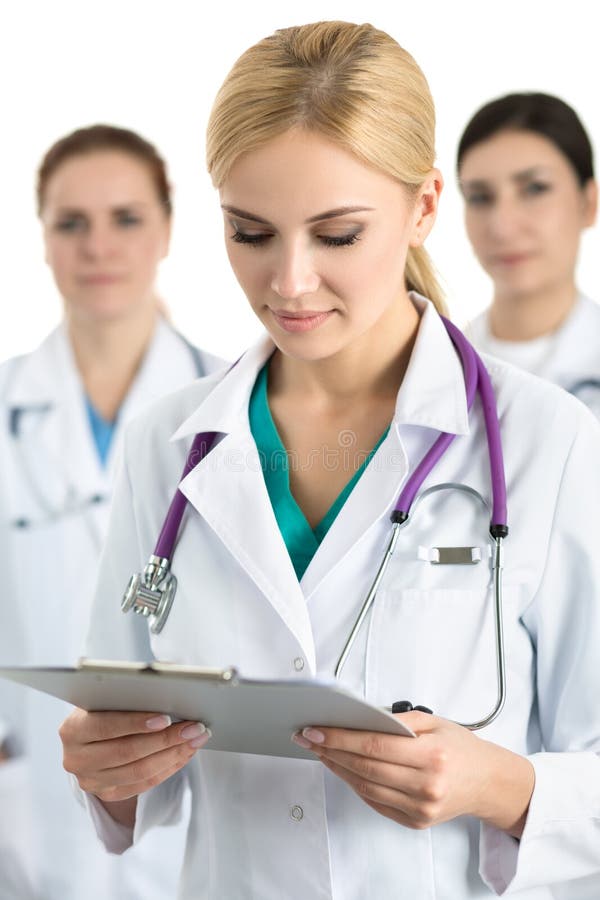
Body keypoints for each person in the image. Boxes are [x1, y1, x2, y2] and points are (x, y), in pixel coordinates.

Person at [58, 23, 600, 899]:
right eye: (251, 232)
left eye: (338, 235)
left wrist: (502, 785)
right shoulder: (170, 446)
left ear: (425, 206)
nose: (290, 282)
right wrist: (104, 767)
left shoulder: (550, 442)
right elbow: (115, 735)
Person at [0, 124, 224, 899]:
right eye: (72, 222)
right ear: (43, 239)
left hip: (198, 804)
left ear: (165, 230)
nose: (98, 246)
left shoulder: (239, 410)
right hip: (26, 812)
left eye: (125, 218)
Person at [457, 92, 600, 416]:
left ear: (588, 203)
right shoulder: (434, 367)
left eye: (535, 189)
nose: (502, 226)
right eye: (480, 197)